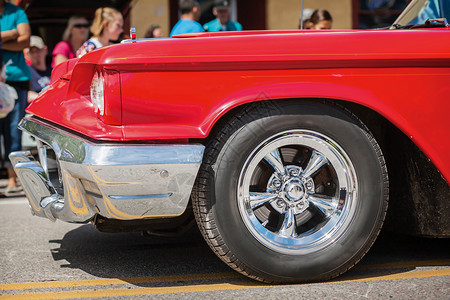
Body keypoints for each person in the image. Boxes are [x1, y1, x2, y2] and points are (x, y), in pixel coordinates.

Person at [0, 0, 31, 195]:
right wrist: (12, 34)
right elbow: (19, 37)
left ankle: (14, 179)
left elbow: (26, 40)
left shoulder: (16, 11)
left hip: (16, 78)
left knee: (14, 132)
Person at [26, 36, 51, 102]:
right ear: (28, 54)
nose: (35, 54)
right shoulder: (26, 72)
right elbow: (26, 94)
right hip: (36, 108)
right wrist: (43, 98)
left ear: (45, 50)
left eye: (38, 50)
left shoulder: (53, 71)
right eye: (32, 52)